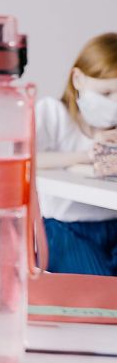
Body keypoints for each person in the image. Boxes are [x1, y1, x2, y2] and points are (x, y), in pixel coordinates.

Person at [36, 32, 117, 276]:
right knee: (101, 300)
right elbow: (27, 158)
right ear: (78, 79)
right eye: (105, 93)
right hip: (66, 228)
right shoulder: (54, 113)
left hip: (112, 223)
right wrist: (86, 155)